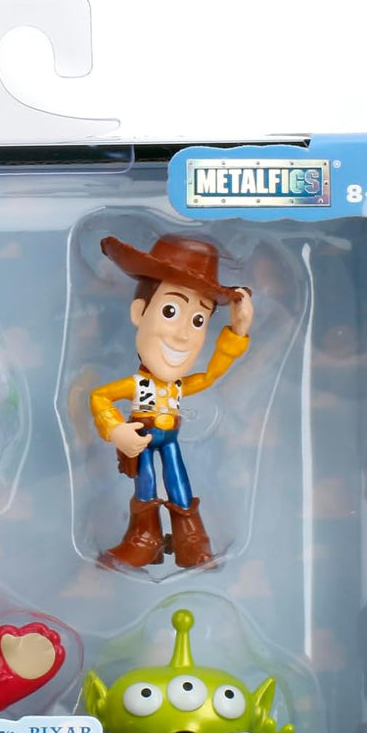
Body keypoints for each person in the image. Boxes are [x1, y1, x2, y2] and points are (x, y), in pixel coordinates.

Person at [90, 235, 252, 569]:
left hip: (170, 440)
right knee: (146, 484)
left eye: (198, 320)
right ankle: (144, 538)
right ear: (140, 312)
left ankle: (191, 541)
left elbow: (209, 376)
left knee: (179, 484)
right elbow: (100, 396)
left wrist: (237, 332)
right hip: (143, 438)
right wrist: (116, 429)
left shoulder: (177, 385)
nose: (183, 334)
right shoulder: (138, 384)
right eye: (170, 311)